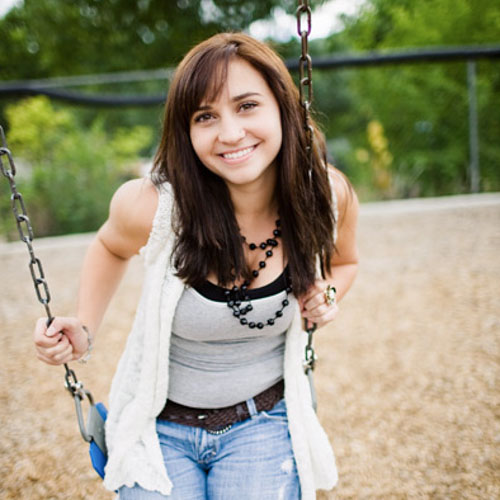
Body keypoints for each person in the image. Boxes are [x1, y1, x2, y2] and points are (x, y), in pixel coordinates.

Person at [33, 33, 359, 499]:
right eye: (206, 116)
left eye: (247, 106)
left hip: (263, 423)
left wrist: (325, 294)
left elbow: (346, 262)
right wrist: (84, 327)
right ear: (186, 131)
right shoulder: (154, 207)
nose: (229, 133)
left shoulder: (325, 195)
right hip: (160, 427)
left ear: (283, 108)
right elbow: (109, 246)